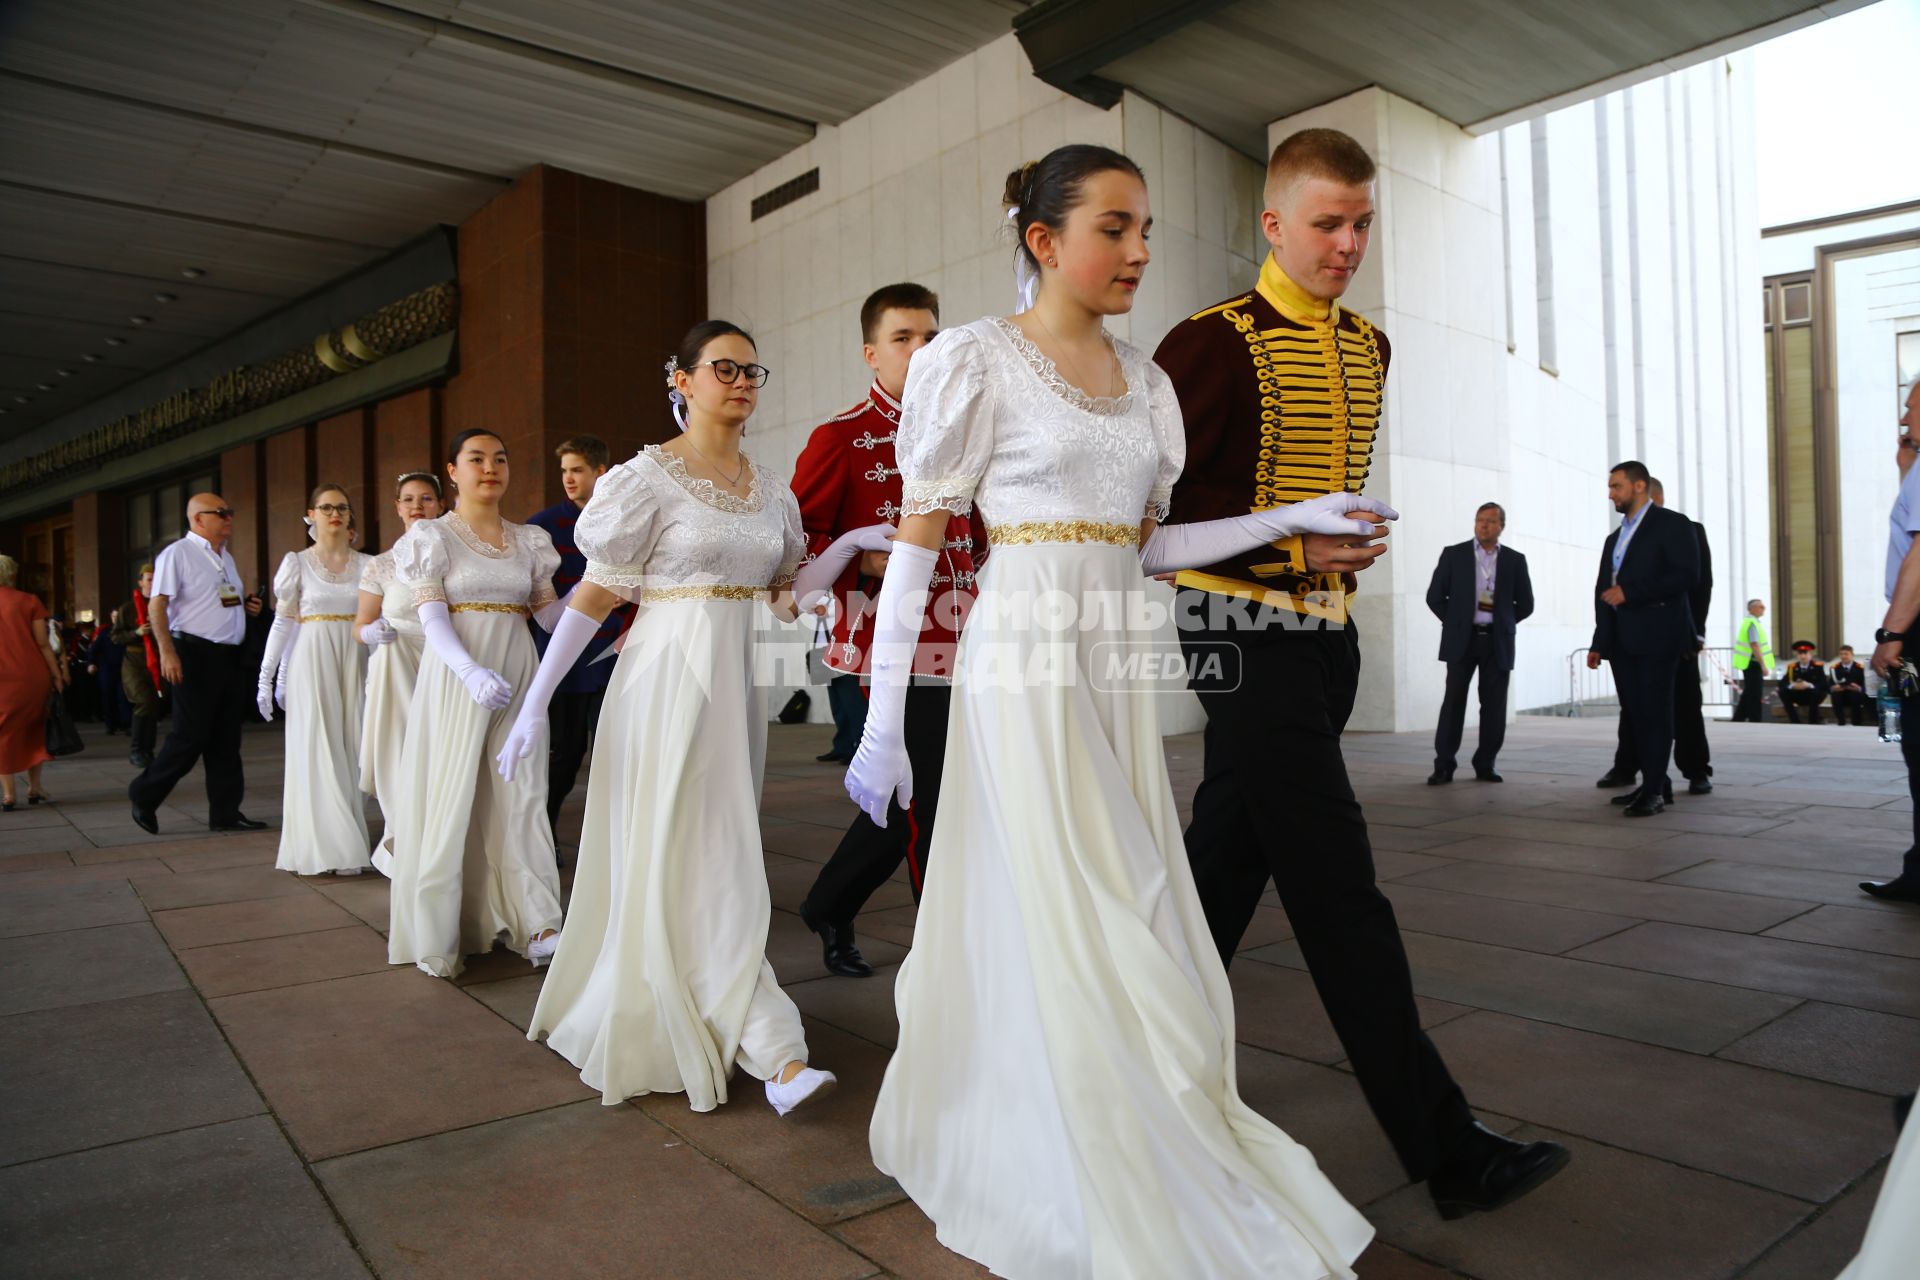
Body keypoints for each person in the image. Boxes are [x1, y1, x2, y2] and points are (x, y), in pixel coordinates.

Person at [845, 144, 1403, 1279]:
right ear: (1044, 240)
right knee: (1083, 897)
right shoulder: (973, 359)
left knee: (1129, 892)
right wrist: (882, 719)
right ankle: (1071, 1136)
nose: (1140, 249)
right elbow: (915, 554)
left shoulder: (1148, 381)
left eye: (1144, 226)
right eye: (1114, 227)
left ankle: (1123, 1103)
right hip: (1023, 656)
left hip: (1111, 655)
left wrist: (1288, 515)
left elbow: (1152, 544)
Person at [1155, 127, 1569, 1221]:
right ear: (1274, 223)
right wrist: (1293, 547)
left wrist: (1328, 555)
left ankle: (1117, 1058)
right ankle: (1446, 1147)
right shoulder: (1205, 342)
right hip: (1236, 635)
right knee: (1339, 888)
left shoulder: (1373, 344)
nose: (1347, 244)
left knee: (1216, 878)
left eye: (1362, 223)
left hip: (1324, 639)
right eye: (1327, 223)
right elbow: (1158, 523)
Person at [501, 321, 838, 1116]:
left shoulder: (772, 489)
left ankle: (741, 1021)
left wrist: (849, 548)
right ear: (681, 380)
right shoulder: (645, 477)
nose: (743, 380)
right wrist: (537, 699)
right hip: (663, 679)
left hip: (733, 687)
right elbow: (595, 594)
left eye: (753, 369)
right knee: (701, 848)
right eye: (724, 367)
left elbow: (786, 592)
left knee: (717, 845)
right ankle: (774, 1047)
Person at [789, 281, 980, 977]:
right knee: (924, 803)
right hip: (884, 649)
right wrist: (859, 555)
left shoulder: (964, 433)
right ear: (873, 353)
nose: (921, 349)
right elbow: (798, 551)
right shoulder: (839, 438)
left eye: (931, 336)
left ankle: (830, 906)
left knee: (918, 797)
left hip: (969, 641)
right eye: (904, 338)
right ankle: (947, 961)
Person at [386, 430, 564, 977]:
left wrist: (611, 594)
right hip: (457, 675)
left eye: (500, 459)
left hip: (517, 672)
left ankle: (537, 919)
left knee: (524, 789)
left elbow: (550, 617)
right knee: (454, 790)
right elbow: (430, 615)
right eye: (477, 459)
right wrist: (467, 670)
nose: (491, 468)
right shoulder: (431, 536)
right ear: (453, 471)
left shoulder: (530, 540)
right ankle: (445, 927)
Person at [128, 494, 267, 834]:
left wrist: (246, 609)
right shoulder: (177, 554)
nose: (229, 517)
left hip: (228, 657)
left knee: (225, 739)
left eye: (230, 511)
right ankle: (144, 794)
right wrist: (167, 652)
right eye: (221, 513)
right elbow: (157, 607)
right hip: (193, 654)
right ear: (198, 519)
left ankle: (225, 813)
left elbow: (220, 601)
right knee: (189, 737)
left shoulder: (226, 558)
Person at [255, 484, 372, 875]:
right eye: (326, 507)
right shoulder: (297, 563)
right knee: (318, 749)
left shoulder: (369, 564)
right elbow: (283, 621)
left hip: (355, 659)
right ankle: (331, 850)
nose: (334, 513)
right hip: (314, 657)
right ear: (312, 514)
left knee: (351, 749)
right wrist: (267, 676)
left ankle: (346, 838)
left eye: (341, 507)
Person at [524, 435, 634, 838]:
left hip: (615, 655)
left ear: (600, 472)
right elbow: (536, 599)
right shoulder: (542, 526)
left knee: (619, 752)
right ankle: (542, 837)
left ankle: (618, 841)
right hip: (565, 658)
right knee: (564, 757)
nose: (568, 478)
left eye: (577, 470)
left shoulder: (627, 517)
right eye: (565, 470)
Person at [1585, 460, 1701, 816]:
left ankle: (1652, 790)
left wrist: (1631, 592)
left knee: (1656, 713)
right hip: (1622, 641)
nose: (1610, 494)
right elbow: (1604, 591)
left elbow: (1687, 576)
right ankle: (1656, 784)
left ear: (1639, 486)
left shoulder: (1673, 525)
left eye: (1616, 486)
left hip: (1658, 636)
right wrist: (1599, 641)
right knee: (1636, 715)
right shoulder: (1615, 537)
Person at [1603, 477, 1714, 795]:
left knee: (1686, 703)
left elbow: (1700, 585)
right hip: (1636, 637)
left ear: (1656, 498)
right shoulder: (1622, 537)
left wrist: (1698, 633)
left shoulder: (1688, 529)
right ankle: (1631, 767)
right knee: (1636, 707)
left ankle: (1696, 770)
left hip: (1678, 634)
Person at [356, 471, 443, 870]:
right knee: (397, 753)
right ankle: (400, 842)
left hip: (439, 662)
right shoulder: (381, 565)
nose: (417, 507)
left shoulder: (449, 554)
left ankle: (435, 842)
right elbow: (359, 627)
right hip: (394, 669)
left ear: (440, 505)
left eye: (426, 499)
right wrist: (373, 632)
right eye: (408, 499)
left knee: (438, 755)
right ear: (397, 507)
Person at [1425, 502, 1533, 784]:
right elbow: (1435, 596)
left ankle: (1486, 763)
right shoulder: (1454, 555)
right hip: (1462, 639)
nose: (1484, 525)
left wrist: (1503, 623)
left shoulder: (1514, 560)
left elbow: (1526, 604)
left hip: (1497, 642)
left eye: (1490, 521)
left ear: (1501, 527)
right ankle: (1444, 764)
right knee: (1453, 702)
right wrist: (1456, 621)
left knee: (1494, 706)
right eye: (1479, 520)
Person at [1866, 381, 1920, 904]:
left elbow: (1918, 559)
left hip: (1917, 632)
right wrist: (1906, 467)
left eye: (1910, 407)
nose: (1904, 417)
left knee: (1919, 744)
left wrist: (1892, 634)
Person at [0, 553, 65, 811]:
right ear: (12, 574)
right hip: (30, 675)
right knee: (34, 728)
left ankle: (8, 795)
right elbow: (43, 644)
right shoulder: (29, 601)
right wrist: (57, 674)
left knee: (3, 733)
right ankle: (34, 788)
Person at [112, 564, 165, 768]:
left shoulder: (164, 604)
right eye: (149, 579)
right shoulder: (129, 608)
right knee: (143, 702)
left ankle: (148, 750)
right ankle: (137, 750)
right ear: (141, 582)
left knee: (153, 706)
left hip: (159, 660)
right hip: (135, 662)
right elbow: (115, 637)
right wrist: (136, 633)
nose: (153, 583)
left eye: (156, 579)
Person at [1728, 598, 1774, 724]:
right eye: (1761, 606)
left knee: (1749, 691)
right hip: (1752, 663)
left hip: (1749, 662)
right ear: (1752, 609)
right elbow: (1755, 645)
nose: (1763, 608)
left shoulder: (1752, 622)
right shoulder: (1752, 623)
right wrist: (1763, 665)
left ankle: (1738, 718)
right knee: (1754, 692)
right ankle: (1755, 719)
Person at [87, 613, 129, 734]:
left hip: (124, 669)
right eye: (114, 616)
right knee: (108, 698)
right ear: (111, 617)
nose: (116, 619)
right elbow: (94, 649)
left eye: (118, 616)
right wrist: (91, 663)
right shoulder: (105, 633)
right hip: (107, 670)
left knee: (123, 697)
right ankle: (111, 725)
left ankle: (125, 724)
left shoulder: (127, 632)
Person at [1779, 641, 1829, 724]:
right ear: (1797, 656)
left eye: (1805, 653)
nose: (1803, 656)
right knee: (1782, 692)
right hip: (1798, 695)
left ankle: (1813, 721)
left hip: (1812, 696)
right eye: (1800, 654)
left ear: (1810, 655)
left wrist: (1809, 685)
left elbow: (1823, 684)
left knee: (1816, 691)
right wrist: (1792, 685)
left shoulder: (1818, 667)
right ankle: (1794, 720)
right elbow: (1782, 683)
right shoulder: (1792, 667)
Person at [1830, 646, 1872, 726]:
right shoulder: (1834, 668)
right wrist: (1834, 688)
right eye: (1841, 654)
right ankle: (1841, 721)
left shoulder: (1860, 668)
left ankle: (1856, 722)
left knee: (1856, 695)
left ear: (1852, 655)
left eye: (1846, 654)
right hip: (1841, 693)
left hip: (1854, 694)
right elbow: (1830, 684)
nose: (1843, 656)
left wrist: (1858, 688)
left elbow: (1865, 684)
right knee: (1835, 695)